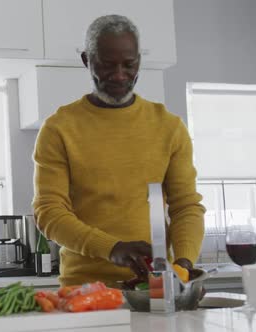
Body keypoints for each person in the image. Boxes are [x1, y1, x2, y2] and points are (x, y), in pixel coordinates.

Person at [32, 15, 205, 288]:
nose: (120, 75)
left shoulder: (169, 127)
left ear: (139, 60)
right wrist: (112, 248)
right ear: (87, 60)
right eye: (107, 65)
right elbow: (49, 212)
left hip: (157, 286)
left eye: (129, 64)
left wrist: (183, 263)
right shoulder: (59, 128)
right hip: (85, 288)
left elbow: (186, 207)